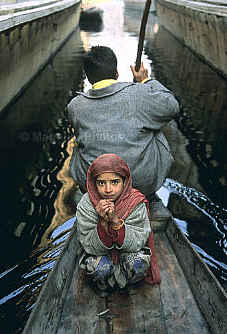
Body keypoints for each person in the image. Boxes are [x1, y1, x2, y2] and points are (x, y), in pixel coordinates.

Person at [67, 46, 179, 197]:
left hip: (95, 184)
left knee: (78, 143)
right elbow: (172, 106)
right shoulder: (139, 93)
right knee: (154, 123)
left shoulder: (75, 106)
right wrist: (145, 80)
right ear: (116, 72)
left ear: (88, 77)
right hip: (141, 183)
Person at [76, 153, 161, 297]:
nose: (108, 189)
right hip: (101, 255)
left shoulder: (135, 202)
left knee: (137, 261)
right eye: (101, 183)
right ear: (93, 183)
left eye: (115, 182)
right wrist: (102, 222)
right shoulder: (86, 204)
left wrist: (115, 221)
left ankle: (133, 281)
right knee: (98, 266)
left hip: (127, 253)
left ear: (125, 181)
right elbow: (89, 245)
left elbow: (137, 243)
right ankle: (102, 284)